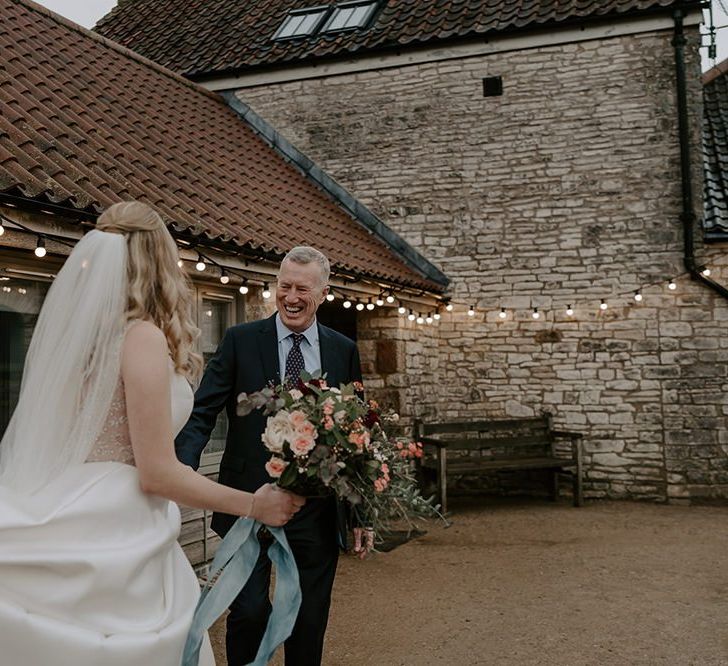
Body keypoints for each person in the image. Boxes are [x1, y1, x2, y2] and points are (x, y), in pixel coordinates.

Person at [0, 201, 304, 666]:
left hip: (70, 499)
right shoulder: (139, 337)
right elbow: (156, 473)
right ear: (158, 260)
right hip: (117, 520)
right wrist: (252, 504)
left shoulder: (83, 337)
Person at [175, 246, 370, 666]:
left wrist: (361, 512)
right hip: (246, 501)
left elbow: (358, 434)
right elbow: (202, 411)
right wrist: (176, 472)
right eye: (284, 286)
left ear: (323, 292)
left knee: (309, 617)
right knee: (248, 612)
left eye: (302, 288)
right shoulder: (240, 340)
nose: (291, 297)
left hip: (316, 506)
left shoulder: (342, 350)